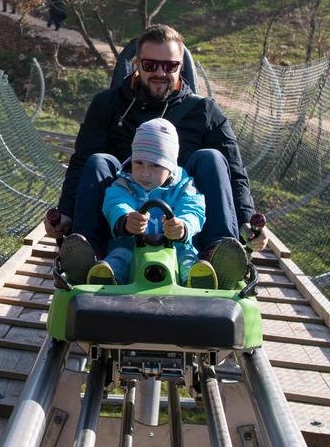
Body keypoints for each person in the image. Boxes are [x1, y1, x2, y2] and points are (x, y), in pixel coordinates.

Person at [47, 23, 264, 288]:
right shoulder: (107, 105)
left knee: (212, 158)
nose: (161, 72)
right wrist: (66, 212)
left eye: (170, 66)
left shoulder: (205, 111)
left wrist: (246, 220)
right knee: (98, 160)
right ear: (137, 64)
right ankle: (88, 254)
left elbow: (235, 171)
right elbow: (81, 163)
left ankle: (217, 254)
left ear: (180, 66)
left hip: (184, 215)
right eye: (151, 65)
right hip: (121, 213)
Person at [86, 118, 219, 290]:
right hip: (132, 244)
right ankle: (108, 278)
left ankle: (194, 279)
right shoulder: (125, 183)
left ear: (170, 166)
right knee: (119, 256)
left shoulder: (184, 185)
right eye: (138, 163)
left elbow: (194, 207)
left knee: (186, 257)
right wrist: (125, 219)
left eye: (155, 166)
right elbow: (115, 201)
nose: (145, 173)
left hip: (175, 246)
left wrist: (183, 226)